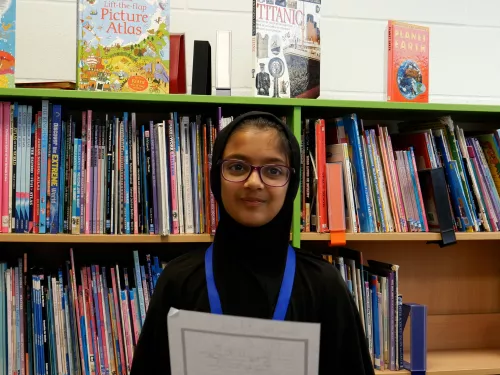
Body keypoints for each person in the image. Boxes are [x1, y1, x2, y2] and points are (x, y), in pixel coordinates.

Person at [130, 111, 374, 375]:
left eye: (273, 170)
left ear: (290, 184)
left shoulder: (324, 286)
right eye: (237, 167)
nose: (254, 182)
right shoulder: (179, 281)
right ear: (216, 177)